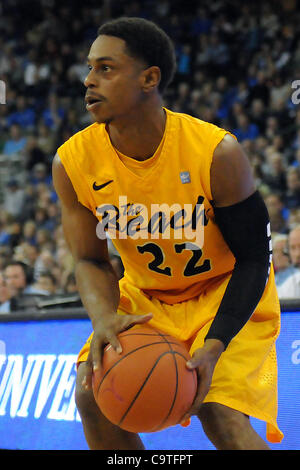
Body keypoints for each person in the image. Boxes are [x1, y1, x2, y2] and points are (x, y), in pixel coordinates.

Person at [52, 17, 283, 450]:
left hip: (223, 294)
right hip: (146, 297)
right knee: (91, 395)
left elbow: (255, 259)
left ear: (149, 78)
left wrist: (215, 344)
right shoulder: (73, 162)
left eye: (105, 68)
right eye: (89, 68)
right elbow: (89, 260)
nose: (88, 81)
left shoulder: (216, 152)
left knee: (220, 412)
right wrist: (104, 321)